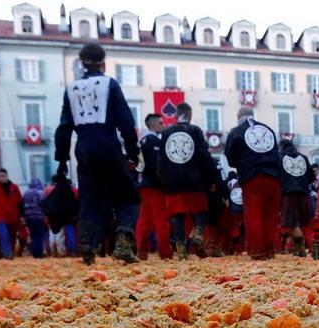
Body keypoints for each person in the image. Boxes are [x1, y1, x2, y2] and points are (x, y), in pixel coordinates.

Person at [55, 43, 141, 265]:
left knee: (89, 197)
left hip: (83, 146)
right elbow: (125, 121)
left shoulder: (71, 88)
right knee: (127, 194)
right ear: (104, 62)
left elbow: (64, 127)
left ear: (81, 63)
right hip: (107, 142)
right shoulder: (109, 84)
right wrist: (132, 152)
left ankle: (87, 243)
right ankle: (122, 237)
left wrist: (62, 160)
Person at [158, 103, 218, 260]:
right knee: (200, 210)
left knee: (177, 215)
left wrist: (163, 179)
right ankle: (198, 232)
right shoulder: (196, 131)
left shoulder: (166, 132)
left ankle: (181, 249)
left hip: (173, 181)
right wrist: (211, 177)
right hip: (195, 180)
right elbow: (205, 156)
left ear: (176, 115)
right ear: (190, 116)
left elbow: (161, 159)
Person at [225, 106, 282, 260]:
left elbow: (230, 158)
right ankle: (270, 249)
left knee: (253, 213)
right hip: (273, 176)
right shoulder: (267, 129)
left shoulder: (235, 132)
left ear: (238, 116)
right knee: (271, 214)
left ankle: (257, 250)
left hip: (251, 176)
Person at [134, 113, 173, 260]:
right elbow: (155, 165)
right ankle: (165, 252)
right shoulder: (152, 141)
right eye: (161, 123)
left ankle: (141, 250)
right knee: (161, 219)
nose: (163, 126)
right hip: (155, 185)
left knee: (145, 219)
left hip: (144, 184)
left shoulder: (143, 140)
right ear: (152, 125)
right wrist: (163, 181)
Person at [277, 138, 314, 257]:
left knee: (291, 223)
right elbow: (311, 177)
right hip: (303, 192)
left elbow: (276, 175)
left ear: (281, 147)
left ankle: (300, 248)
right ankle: (308, 247)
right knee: (304, 222)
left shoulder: (279, 157)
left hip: (288, 192)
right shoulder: (303, 157)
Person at [0, 168, 22, 259]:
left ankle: (11, 252)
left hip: (13, 216)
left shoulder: (14, 187)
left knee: (12, 236)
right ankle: (6, 253)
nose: (1, 178)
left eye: (2, 176)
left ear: (6, 176)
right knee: (3, 234)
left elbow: (20, 202)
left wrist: (22, 215)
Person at [21, 178, 48, 259]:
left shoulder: (25, 193)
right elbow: (44, 205)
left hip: (28, 217)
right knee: (39, 236)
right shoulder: (41, 193)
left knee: (33, 236)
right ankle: (39, 254)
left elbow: (22, 205)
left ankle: (34, 253)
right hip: (39, 217)